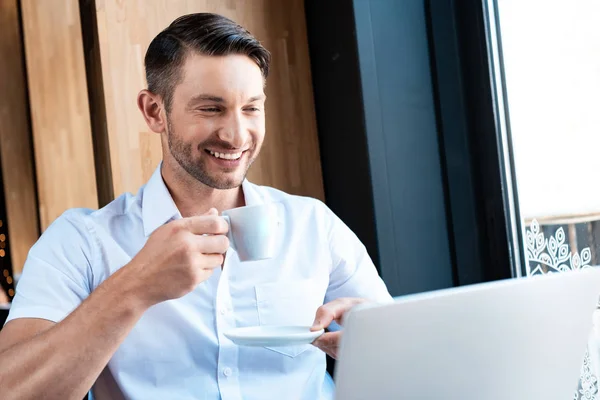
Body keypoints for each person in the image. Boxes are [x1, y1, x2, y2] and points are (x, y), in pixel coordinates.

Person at [0, 13, 392, 400]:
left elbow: (409, 362)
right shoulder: (81, 242)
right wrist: (135, 286)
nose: (236, 134)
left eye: (251, 108)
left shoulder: (313, 224)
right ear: (155, 112)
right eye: (211, 108)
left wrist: (378, 342)